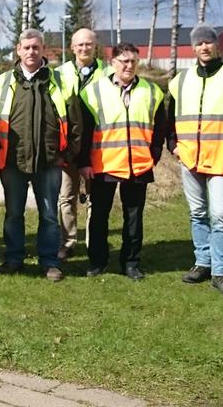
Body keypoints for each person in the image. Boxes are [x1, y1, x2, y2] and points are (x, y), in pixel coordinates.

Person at [168, 25, 223, 297]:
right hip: (189, 158)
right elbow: (170, 119)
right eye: (199, 44)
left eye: (208, 43)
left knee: (220, 214)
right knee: (197, 213)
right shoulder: (180, 80)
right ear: (192, 49)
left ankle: (221, 271)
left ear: (217, 46)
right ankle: (202, 262)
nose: (204, 47)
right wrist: (173, 146)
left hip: (222, 159)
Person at [0, 29, 83, 281]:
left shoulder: (61, 82)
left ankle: (50, 262)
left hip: (50, 163)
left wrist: (66, 155)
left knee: (49, 215)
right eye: (27, 47)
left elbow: (75, 124)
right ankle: (13, 259)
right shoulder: (0, 83)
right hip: (12, 162)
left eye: (36, 47)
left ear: (43, 50)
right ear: (18, 49)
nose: (31, 52)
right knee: (13, 214)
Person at [77, 42, 166, 281]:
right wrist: (84, 162)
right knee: (99, 216)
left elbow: (160, 129)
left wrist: (154, 153)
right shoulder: (92, 92)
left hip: (139, 165)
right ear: (112, 63)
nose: (129, 65)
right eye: (124, 61)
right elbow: (84, 132)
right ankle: (97, 261)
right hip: (104, 164)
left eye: (133, 61)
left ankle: (131, 263)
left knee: (134, 217)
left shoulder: (153, 91)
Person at [56, 28, 106, 261]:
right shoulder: (59, 73)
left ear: (95, 46)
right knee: (66, 196)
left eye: (89, 44)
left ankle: (92, 242)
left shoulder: (107, 74)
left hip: (99, 147)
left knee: (95, 198)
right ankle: (67, 242)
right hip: (69, 148)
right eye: (80, 44)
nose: (84, 48)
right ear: (72, 47)